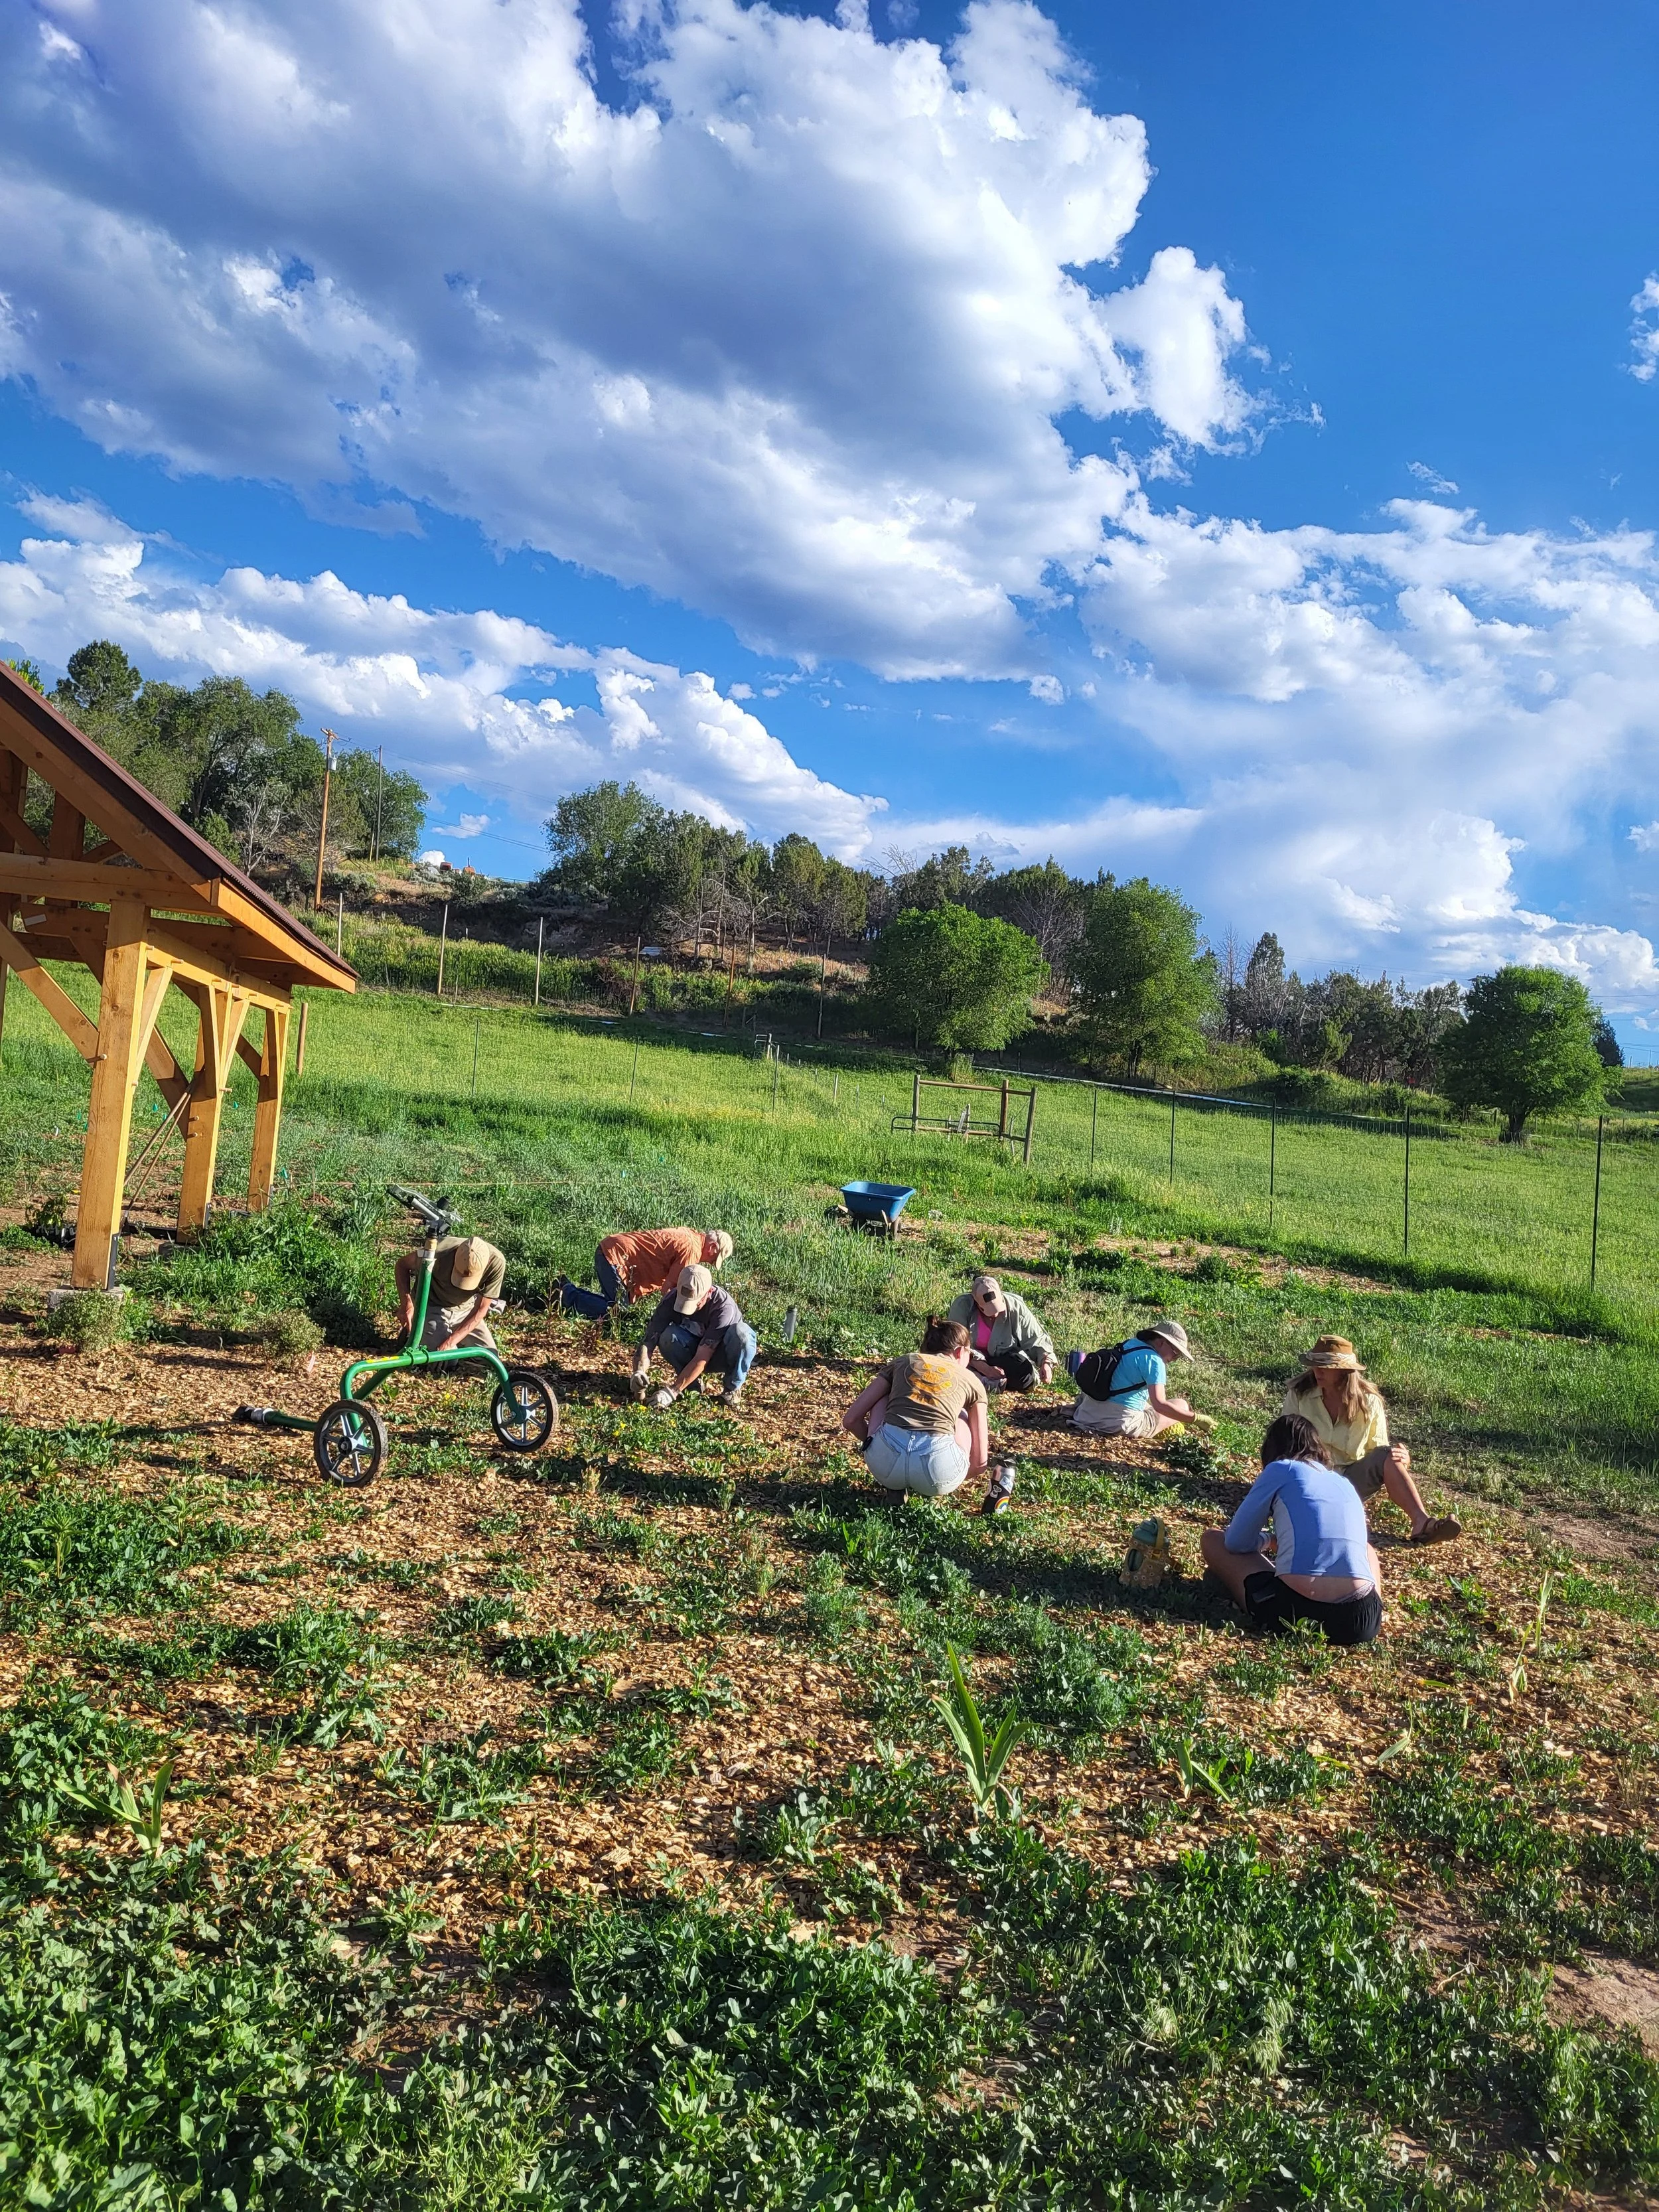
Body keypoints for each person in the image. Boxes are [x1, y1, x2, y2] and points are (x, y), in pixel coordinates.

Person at [1199, 1414, 1384, 1646]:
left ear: (1272, 1447)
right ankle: (1376, 1607)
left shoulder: (1281, 1468)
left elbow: (1236, 1542)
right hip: (1362, 1622)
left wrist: (1268, 1541)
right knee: (1367, 1549)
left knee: (1213, 1540)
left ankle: (1235, 1585)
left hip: (1296, 1613)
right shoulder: (1343, 1482)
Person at [1283, 1335, 1459, 1546]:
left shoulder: (1369, 1401)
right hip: (1308, 1478)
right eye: (1314, 1365)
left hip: (1349, 1481)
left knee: (1389, 1455)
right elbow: (1283, 1439)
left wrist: (1401, 1461)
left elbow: (1379, 1452)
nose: (1317, 1371)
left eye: (1325, 1366)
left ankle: (1422, 1524)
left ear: (1343, 1371)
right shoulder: (1300, 1394)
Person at [841, 1318, 1004, 1501]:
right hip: (938, 1469)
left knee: (882, 1399)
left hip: (885, 1462)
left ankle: (895, 1482)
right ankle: (931, 1490)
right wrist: (951, 1479)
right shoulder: (970, 1379)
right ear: (960, 1352)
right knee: (962, 1415)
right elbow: (980, 1462)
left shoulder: (904, 1361)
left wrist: (874, 1444)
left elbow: (851, 1420)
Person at [634, 1263, 757, 1408]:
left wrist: (672, 1391)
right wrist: (638, 1372)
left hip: (722, 1354)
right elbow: (648, 1343)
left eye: (695, 1303)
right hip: (693, 1348)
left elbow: (702, 1357)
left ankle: (732, 1389)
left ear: (709, 1292)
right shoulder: (670, 1300)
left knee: (743, 1336)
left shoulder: (723, 1307)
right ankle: (692, 1386)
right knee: (668, 1336)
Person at [559, 1228, 733, 1321]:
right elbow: (669, 1290)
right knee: (618, 1314)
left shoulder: (691, 1237)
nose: (708, 1263)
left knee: (618, 1308)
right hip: (615, 1256)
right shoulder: (691, 1251)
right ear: (712, 1248)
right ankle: (565, 1294)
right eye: (713, 1259)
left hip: (614, 1251)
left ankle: (565, 1291)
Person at [1066, 1319, 1200, 1438]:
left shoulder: (1130, 1344)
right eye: (1175, 1353)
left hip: (1085, 1414)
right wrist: (1196, 1419)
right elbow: (1160, 1405)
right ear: (1161, 1342)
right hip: (1117, 1424)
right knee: (1181, 1405)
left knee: (1147, 1405)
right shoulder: (1155, 1361)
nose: (1175, 1359)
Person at [397, 1232, 505, 1355]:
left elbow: (481, 1309)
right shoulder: (438, 1252)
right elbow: (402, 1265)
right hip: (432, 1306)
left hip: (466, 1310)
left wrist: (450, 1342)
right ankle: (414, 1332)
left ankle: (443, 1337)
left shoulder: (497, 1262)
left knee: (489, 1356)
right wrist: (407, 1304)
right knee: (446, 1359)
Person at [946, 1274, 1055, 1392]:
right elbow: (956, 1343)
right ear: (977, 1304)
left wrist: (1046, 1362)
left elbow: (1035, 1337)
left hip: (1002, 1358)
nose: (995, 1314)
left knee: (1024, 1374)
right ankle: (984, 1381)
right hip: (971, 1360)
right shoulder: (963, 1306)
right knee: (953, 1366)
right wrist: (985, 1368)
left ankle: (985, 1382)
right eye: (989, 1311)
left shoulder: (1016, 1307)